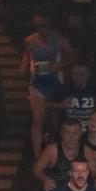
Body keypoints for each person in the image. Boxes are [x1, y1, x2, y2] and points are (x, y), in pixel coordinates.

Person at [21, 12, 69, 157]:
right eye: (37, 26)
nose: (41, 29)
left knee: (54, 121)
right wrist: (23, 67)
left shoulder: (59, 40)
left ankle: (53, 148)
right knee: (38, 118)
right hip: (37, 84)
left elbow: (72, 53)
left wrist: (61, 65)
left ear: (50, 25)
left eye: (44, 26)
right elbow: (26, 56)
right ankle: (37, 155)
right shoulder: (29, 41)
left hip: (55, 84)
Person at [59, 62, 96, 134]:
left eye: (81, 74)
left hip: (90, 130)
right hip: (69, 130)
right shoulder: (64, 89)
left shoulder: (95, 89)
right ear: (71, 74)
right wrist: (61, 105)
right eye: (75, 74)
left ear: (88, 75)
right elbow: (47, 104)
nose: (78, 77)